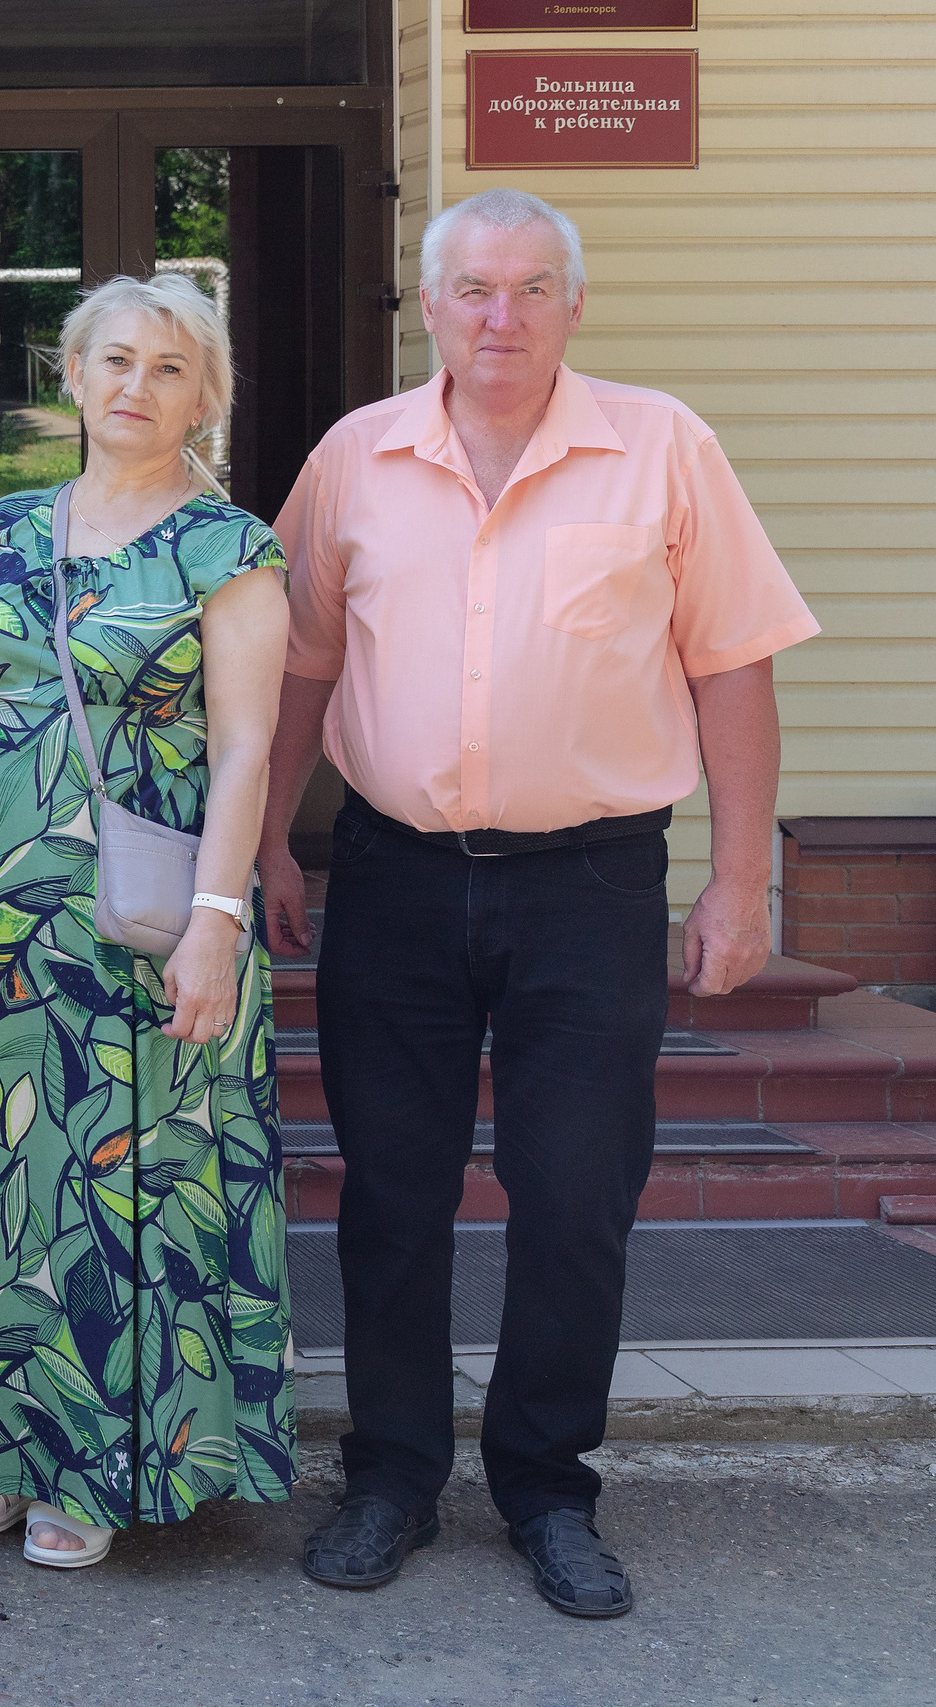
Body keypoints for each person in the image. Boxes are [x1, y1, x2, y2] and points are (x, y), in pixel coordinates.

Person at [260, 189, 818, 1618]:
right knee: (391, 1193)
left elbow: (734, 663)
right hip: (393, 874)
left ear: (574, 304)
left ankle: (548, 1485)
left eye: (527, 290)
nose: (498, 317)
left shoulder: (663, 448)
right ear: (428, 307)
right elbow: (300, 666)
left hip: (592, 885)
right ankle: (389, 1475)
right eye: (471, 290)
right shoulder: (353, 460)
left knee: (577, 1195)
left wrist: (741, 876)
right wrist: (264, 837)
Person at [0, 273, 295, 1568]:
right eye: (114, 358)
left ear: (204, 394)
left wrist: (217, 924)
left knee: (119, 1187)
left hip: (142, 923)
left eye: (169, 367)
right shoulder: (4, 529)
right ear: (70, 375)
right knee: (2, 1182)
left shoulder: (227, 545)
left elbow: (244, 751)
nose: (136, 385)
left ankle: (98, 1464)